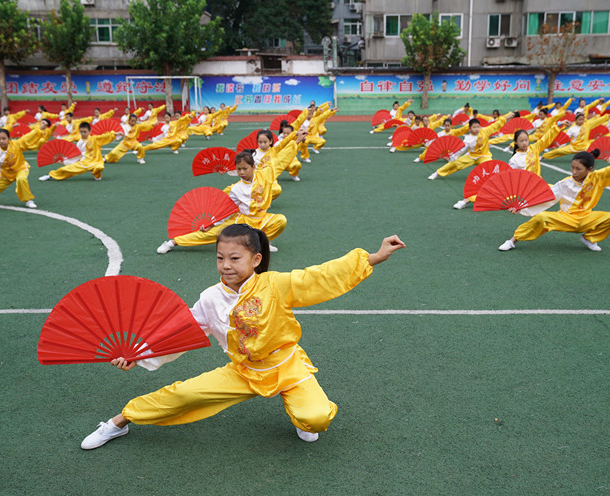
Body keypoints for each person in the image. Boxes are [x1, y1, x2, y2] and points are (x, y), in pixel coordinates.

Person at [80, 224, 406, 450]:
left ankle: (300, 415)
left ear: (256, 260)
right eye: (220, 258)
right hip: (242, 372)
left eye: (234, 258)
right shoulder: (210, 297)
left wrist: (374, 257)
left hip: (287, 367)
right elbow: (182, 331)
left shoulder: (275, 285)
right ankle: (119, 421)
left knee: (315, 420)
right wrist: (138, 354)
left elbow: (320, 277)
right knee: (181, 395)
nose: (226, 265)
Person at [156, 130, 306, 255]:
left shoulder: (265, 174)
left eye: (245, 168)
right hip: (241, 220)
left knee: (281, 221)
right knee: (211, 234)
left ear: (253, 167)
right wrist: (211, 223)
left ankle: (262, 242)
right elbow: (226, 209)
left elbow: (281, 159)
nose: (241, 172)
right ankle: (173, 242)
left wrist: (297, 140)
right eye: (239, 169)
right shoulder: (236, 188)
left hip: (261, 218)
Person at [497, 150, 610, 252]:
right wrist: (520, 207)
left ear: (590, 170)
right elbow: (544, 197)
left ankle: (589, 239)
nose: (574, 171)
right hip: (566, 219)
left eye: (578, 169)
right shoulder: (564, 183)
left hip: (586, 218)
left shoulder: (598, 177)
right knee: (541, 218)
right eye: (572, 167)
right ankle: (513, 241)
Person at [38, 122, 117, 182]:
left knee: (99, 167)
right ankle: (50, 175)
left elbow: (106, 136)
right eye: (81, 132)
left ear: (89, 131)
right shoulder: (79, 140)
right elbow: (71, 144)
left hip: (96, 161)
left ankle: (97, 175)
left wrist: (115, 134)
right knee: (67, 169)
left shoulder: (94, 139)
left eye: (85, 132)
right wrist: (59, 143)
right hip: (84, 161)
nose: (83, 134)